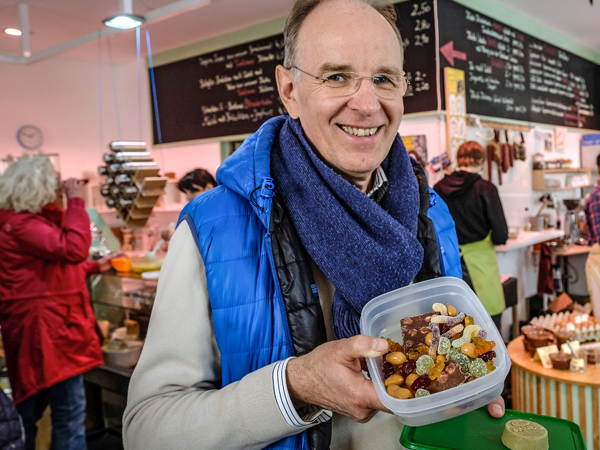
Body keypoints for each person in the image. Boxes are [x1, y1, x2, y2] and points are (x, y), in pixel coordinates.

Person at [122, 1, 505, 450]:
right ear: (289, 89)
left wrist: (470, 392)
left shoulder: (432, 210)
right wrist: (295, 387)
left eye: (383, 78)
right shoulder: (212, 226)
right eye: (336, 76)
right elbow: (146, 430)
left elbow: (450, 349)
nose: (365, 104)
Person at [0, 156, 119, 450]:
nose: (59, 190)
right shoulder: (21, 224)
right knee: (68, 415)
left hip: (43, 330)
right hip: (51, 334)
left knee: (29, 412)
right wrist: (76, 201)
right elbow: (73, 249)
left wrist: (96, 267)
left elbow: (49, 268)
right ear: (37, 187)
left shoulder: (17, 222)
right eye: (54, 184)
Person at [434, 141, 508, 331]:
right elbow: (501, 234)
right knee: (489, 326)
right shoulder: (486, 188)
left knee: (457, 325)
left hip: (449, 263)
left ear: (458, 160)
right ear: (481, 161)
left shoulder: (439, 188)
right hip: (481, 263)